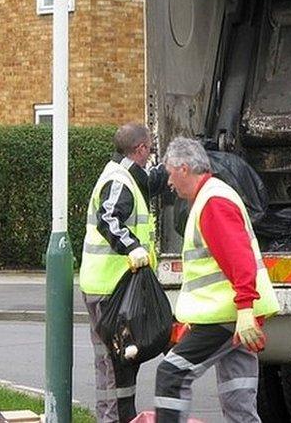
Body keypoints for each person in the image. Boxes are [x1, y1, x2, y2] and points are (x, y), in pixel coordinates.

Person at [154, 137, 280, 423]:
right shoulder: (214, 196)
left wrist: (245, 308)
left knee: (171, 373)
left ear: (183, 168)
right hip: (235, 315)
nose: (169, 183)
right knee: (238, 398)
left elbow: (239, 259)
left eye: (169, 172)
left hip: (227, 315)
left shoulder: (213, 203)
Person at [79, 123, 162, 423]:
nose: (151, 152)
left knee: (120, 361)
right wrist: (132, 247)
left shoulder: (124, 175)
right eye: (150, 147)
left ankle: (120, 418)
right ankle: (111, 420)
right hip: (109, 288)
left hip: (110, 287)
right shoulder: (118, 181)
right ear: (140, 149)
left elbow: (149, 182)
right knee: (113, 364)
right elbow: (109, 219)